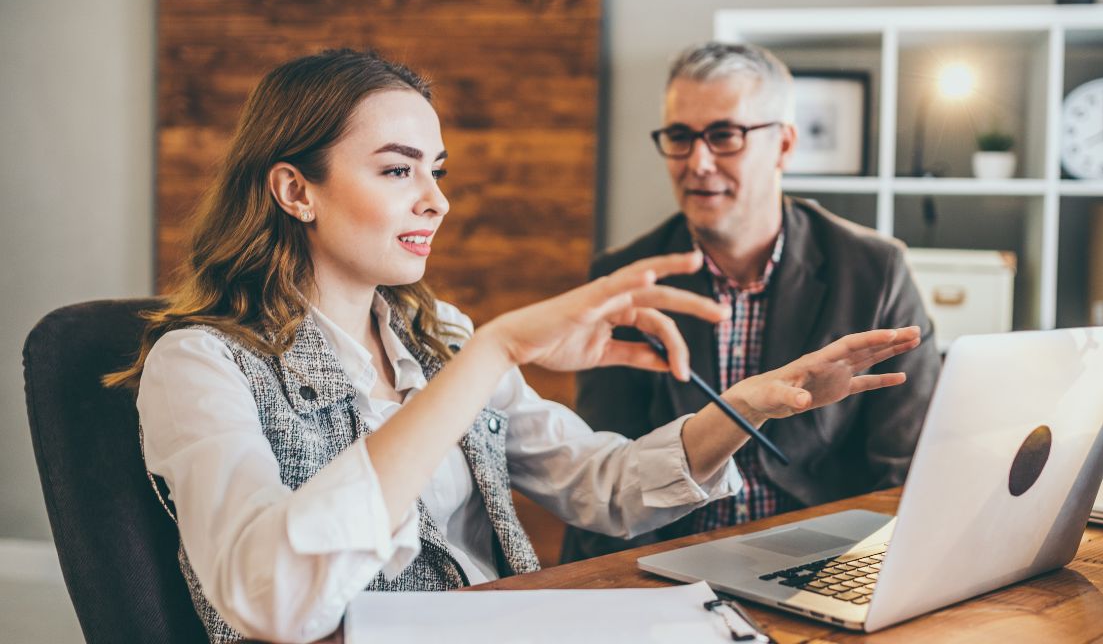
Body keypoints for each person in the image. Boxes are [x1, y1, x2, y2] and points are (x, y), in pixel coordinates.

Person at [104, 49, 921, 643]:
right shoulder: (200, 364)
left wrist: (745, 406)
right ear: (294, 189)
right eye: (397, 172)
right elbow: (272, 602)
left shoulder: (438, 333)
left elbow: (603, 485)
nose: (437, 201)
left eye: (438, 171)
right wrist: (492, 354)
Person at [561, 42, 941, 563]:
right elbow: (603, 472)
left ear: (784, 145)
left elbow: (905, 470)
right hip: (673, 561)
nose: (698, 162)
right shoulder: (623, 277)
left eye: (724, 136)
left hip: (823, 557)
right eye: (680, 136)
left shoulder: (876, 271)